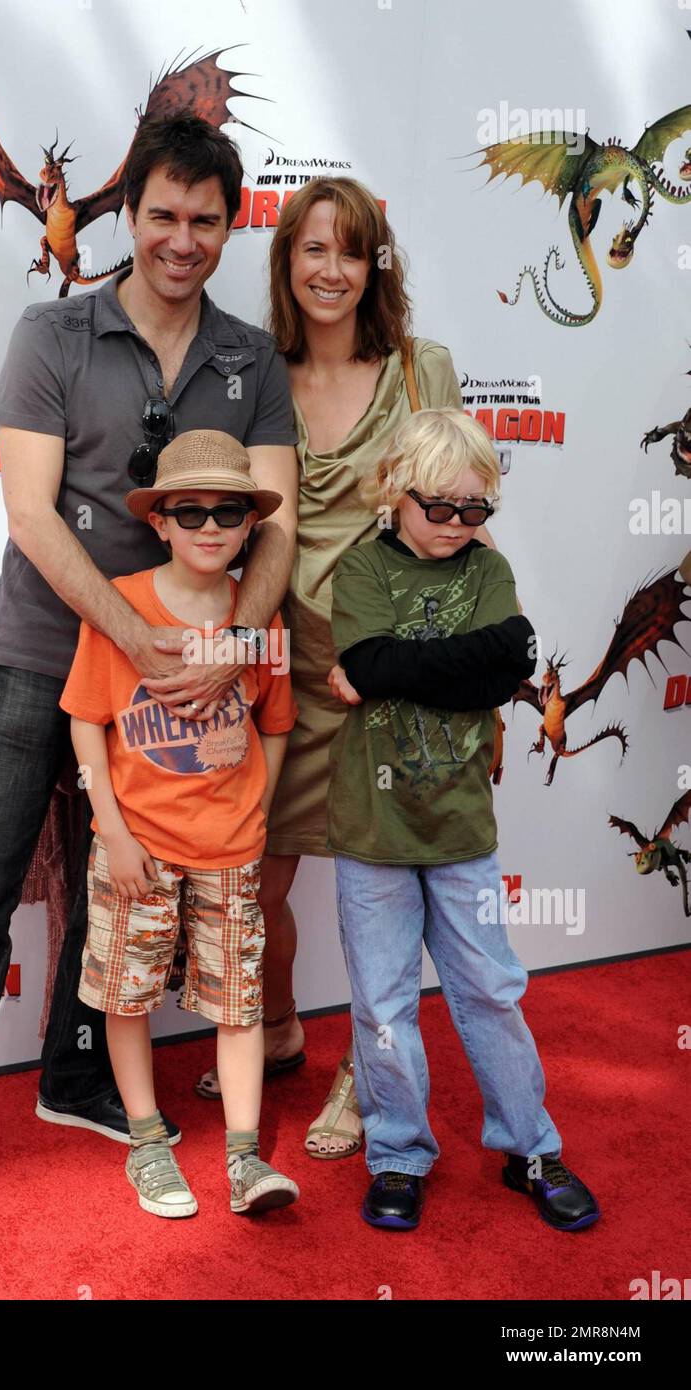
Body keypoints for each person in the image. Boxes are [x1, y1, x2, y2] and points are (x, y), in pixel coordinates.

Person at [0, 113, 298, 1232]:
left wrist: (219, 652)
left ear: (229, 225)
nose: (183, 238)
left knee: (118, 884)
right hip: (44, 653)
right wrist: (138, 633)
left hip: (188, 680)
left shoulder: (251, 358)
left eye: (206, 220)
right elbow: (30, 512)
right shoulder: (52, 332)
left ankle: (76, 1081)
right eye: (163, 214)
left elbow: (282, 530)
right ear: (131, 213)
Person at [193, 176, 474, 1158]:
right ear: (286, 262)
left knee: (382, 897)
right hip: (278, 672)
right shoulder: (254, 375)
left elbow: (458, 524)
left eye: (350, 251)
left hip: (385, 682)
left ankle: (370, 1069)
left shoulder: (418, 368)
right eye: (313, 249)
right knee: (257, 883)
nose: (331, 269)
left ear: (374, 265)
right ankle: (275, 1032)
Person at [327, 406, 599, 1232]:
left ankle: (532, 1149)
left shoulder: (488, 568)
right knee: (380, 1004)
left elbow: (504, 666)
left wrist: (388, 673)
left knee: (490, 991)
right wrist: (430, 667)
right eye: (436, 507)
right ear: (391, 494)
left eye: (473, 510)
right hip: (371, 831)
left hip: (461, 833)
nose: (455, 525)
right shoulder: (360, 570)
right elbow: (375, 660)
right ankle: (399, 1155)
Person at [61, 429, 300, 1218]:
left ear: (247, 526)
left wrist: (257, 814)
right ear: (158, 521)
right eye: (188, 512)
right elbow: (86, 723)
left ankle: (242, 1157)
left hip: (232, 852)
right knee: (126, 1000)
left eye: (226, 512)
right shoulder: (122, 606)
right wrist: (114, 832)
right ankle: (148, 1142)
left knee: (239, 1006)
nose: (207, 527)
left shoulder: (259, 621)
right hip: (138, 849)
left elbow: (275, 720)